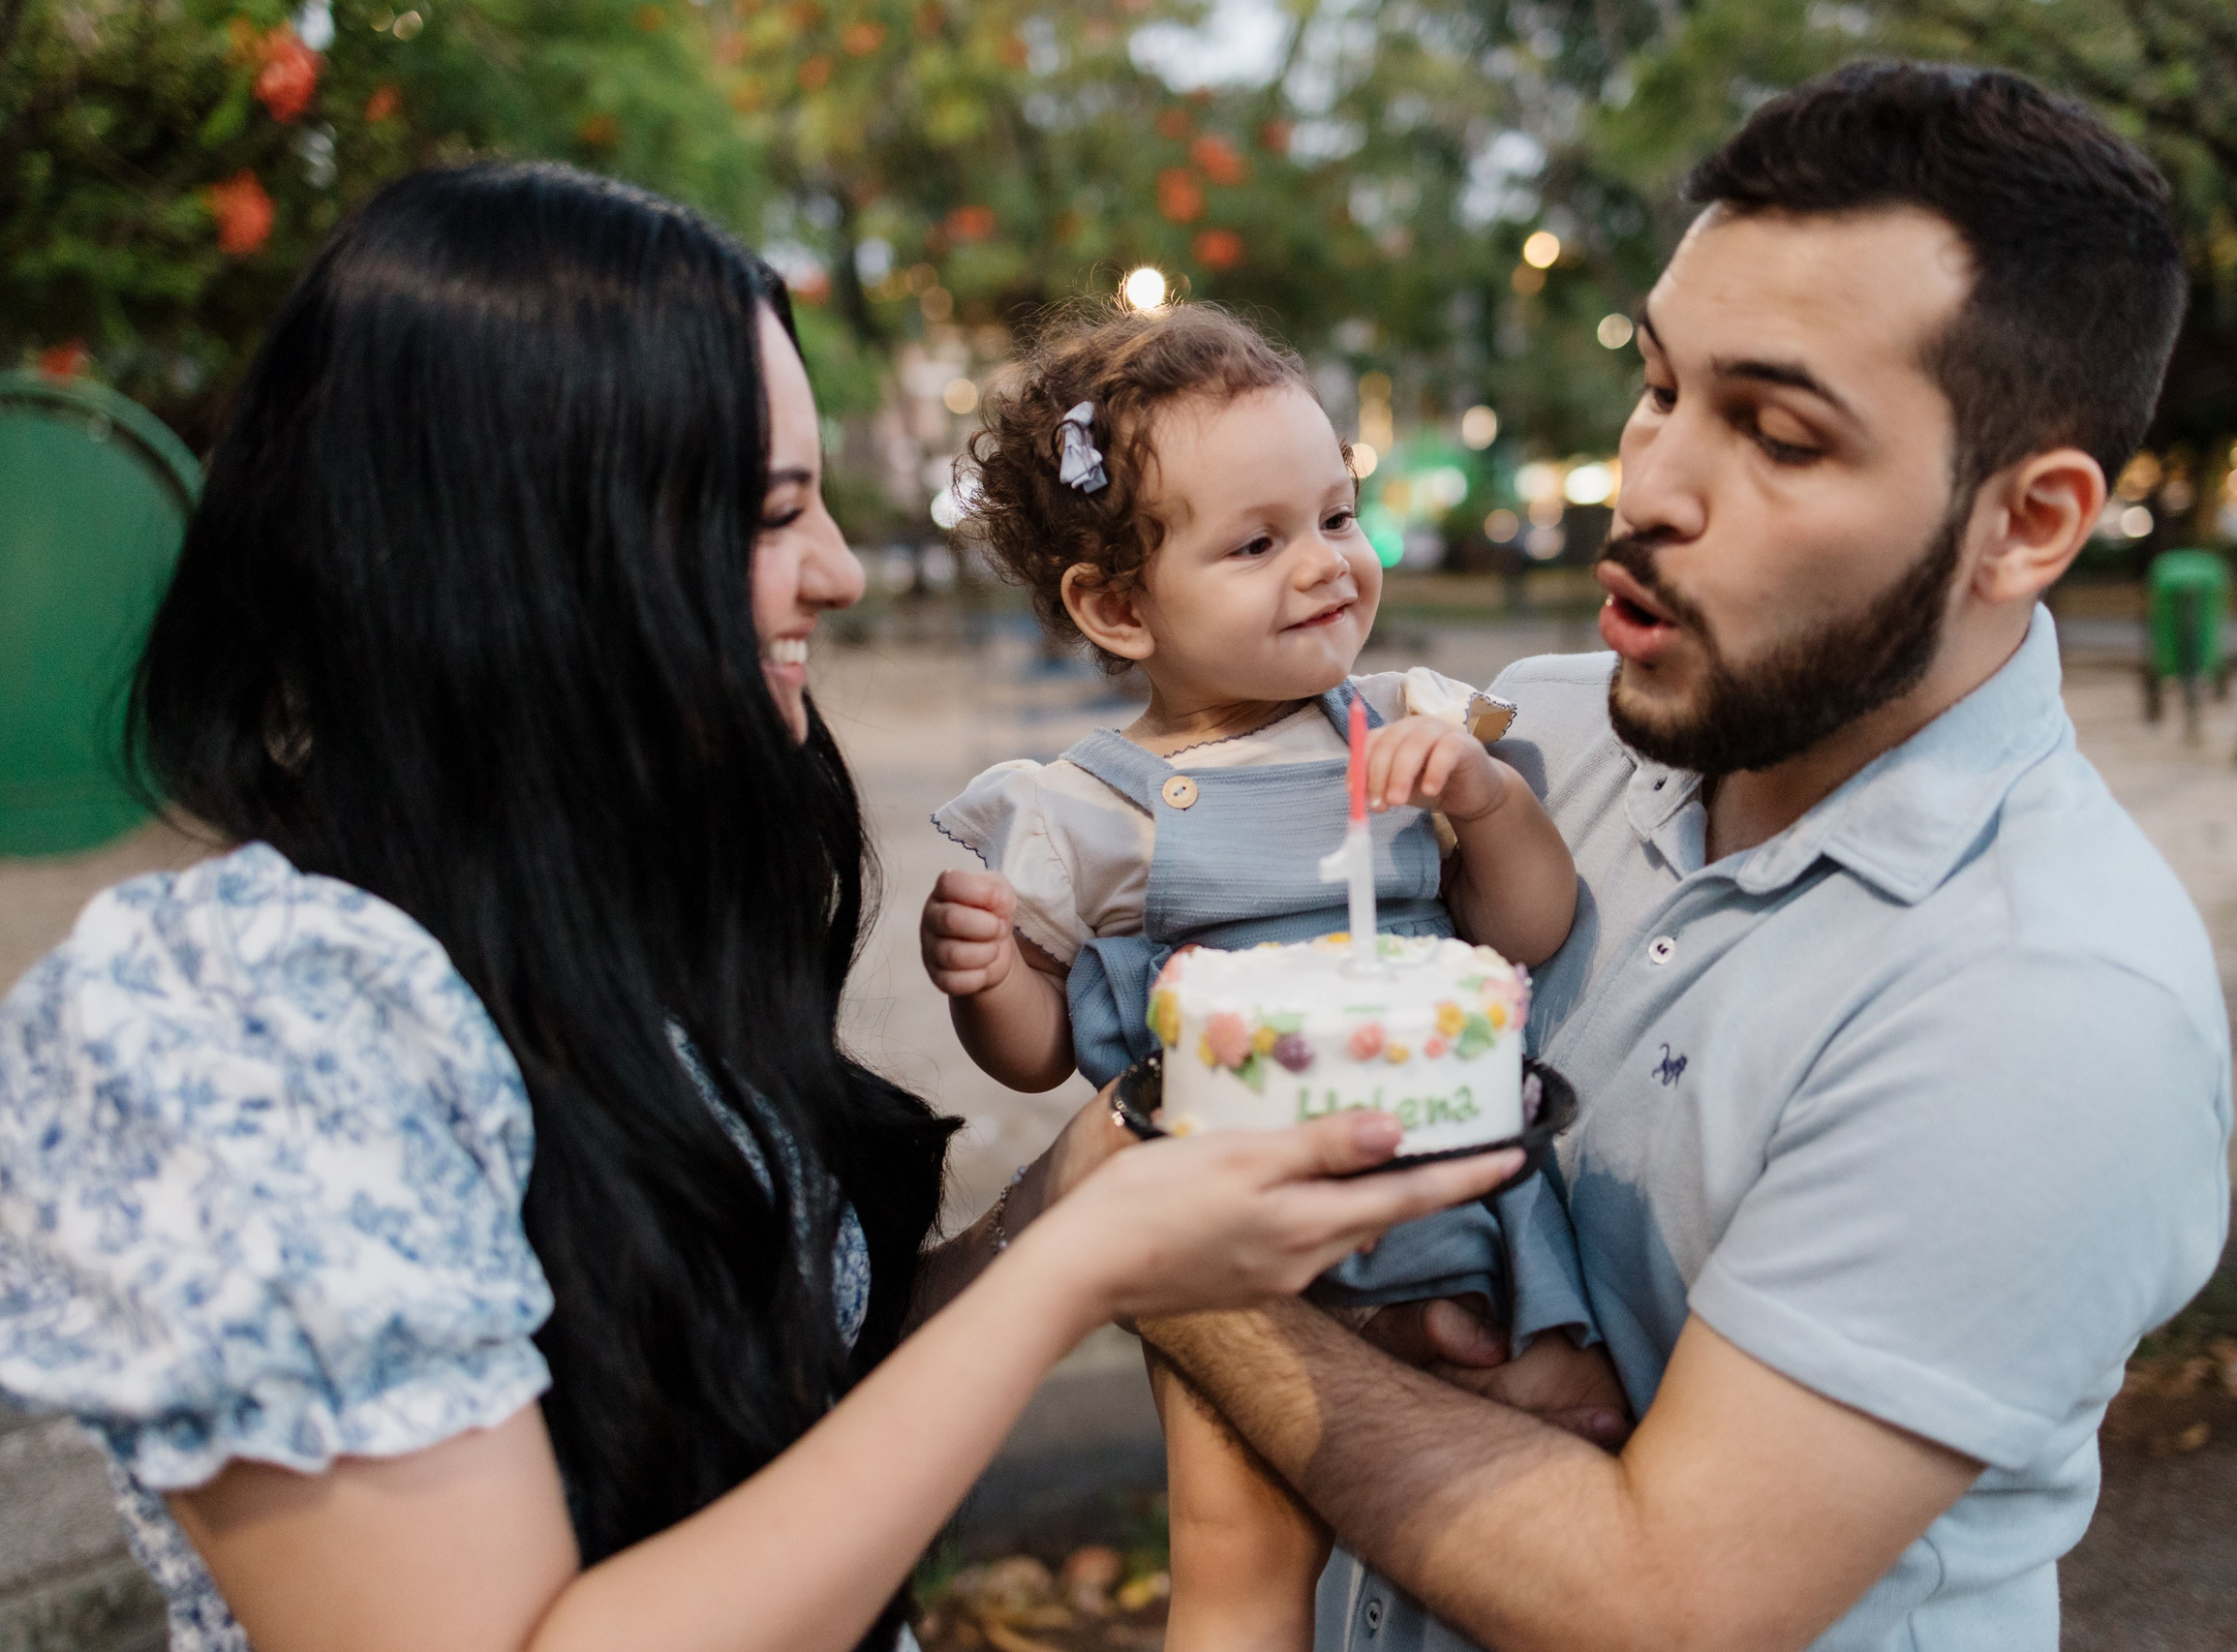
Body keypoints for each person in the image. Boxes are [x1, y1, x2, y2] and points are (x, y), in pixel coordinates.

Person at [0, 162, 1522, 1652]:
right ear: (535, 544)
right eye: (775, 510)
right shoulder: (236, 1016)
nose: (844, 572)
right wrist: (1077, 1266)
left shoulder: (595, 937)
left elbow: (779, 1443)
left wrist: (1071, 1189)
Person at [1136, 61, 2234, 1652]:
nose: (1648, 486)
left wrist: (1175, 1254)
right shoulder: (1545, 739)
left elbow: (1664, 1601)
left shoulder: (2050, 1000)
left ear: (2029, 523)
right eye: (1659, 387)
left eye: (1777, 435)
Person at [917, 302, 1604, 1651]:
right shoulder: (1097, 809)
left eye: (1339, 517)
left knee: (1550, 1459)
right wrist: (988, 974)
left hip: (1461, 1205)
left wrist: (1483, 804)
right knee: (1237, 1556)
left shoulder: (1416, 730)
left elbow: (1529, 928)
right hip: (1241, 1248)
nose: (1325, 566)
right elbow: (1044, 1051)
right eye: (1257, 541)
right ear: (1119, 606)